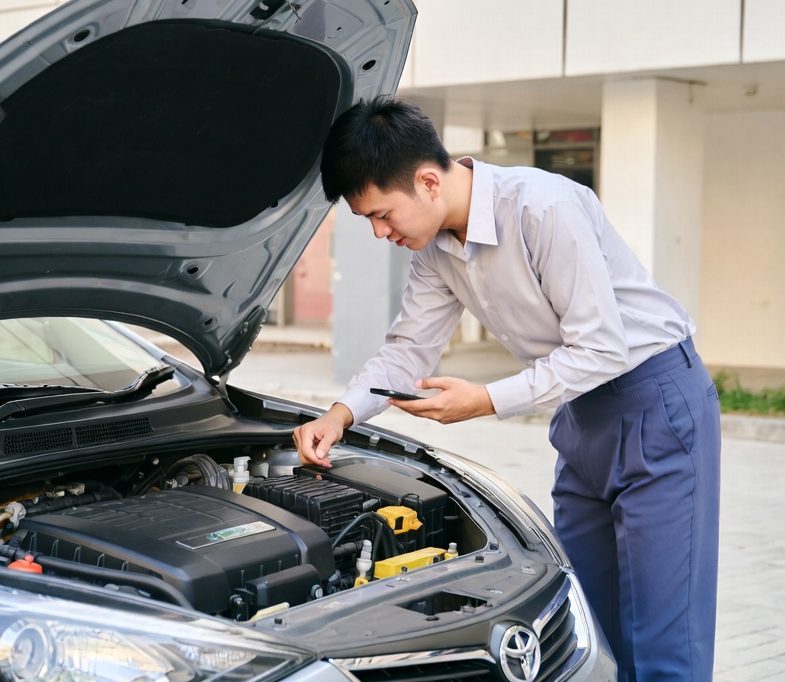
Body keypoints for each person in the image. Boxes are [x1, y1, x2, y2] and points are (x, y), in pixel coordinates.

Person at [292, 97, 720, 682]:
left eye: (382, 214)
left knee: (664, 641)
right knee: (587, 626)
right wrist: (340, 415)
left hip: (655, 402)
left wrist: (486, 400)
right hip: (578, 415)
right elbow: (407, 350)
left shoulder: (545, 207)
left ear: (426, 181)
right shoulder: (435, 250)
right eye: (368, 220)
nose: (379, 232)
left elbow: (602, 347)